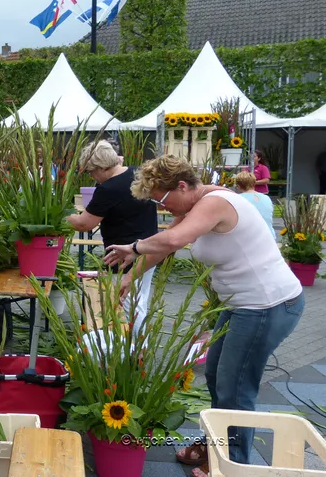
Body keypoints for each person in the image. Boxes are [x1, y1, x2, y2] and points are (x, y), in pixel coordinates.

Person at [103, 155, 303, 476]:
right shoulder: (194, 204)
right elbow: (166, 247)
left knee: (235, 387)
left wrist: (134, 247)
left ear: (182, 186)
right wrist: (130, 276)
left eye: (162, 201)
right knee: (214, 375)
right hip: (241, 305)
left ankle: (231, 463)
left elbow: (173, 239)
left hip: (269, 305)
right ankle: (213, 443)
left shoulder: (216, 202)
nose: (163, 209)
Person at [67, 140, 158, 338]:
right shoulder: (136, 173)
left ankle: (133, 350)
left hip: (124, 253)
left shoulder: (109, 189)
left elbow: (84, 224)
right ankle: (137, 351)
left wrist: (61, 216)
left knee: (127, 303)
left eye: (92, 172)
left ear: (101, 168)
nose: (93, 177)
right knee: (139, 300)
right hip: (149, 249)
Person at [235, 171, 276, 239]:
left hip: (250, 237)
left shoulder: (237, 198)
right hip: (269, 237)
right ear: (254, 183)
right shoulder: (266, 198)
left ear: (238, 186)